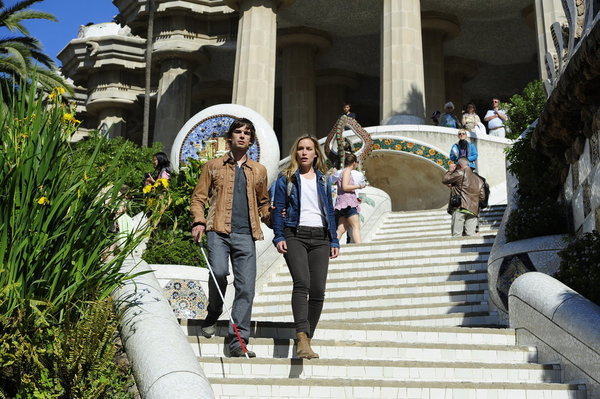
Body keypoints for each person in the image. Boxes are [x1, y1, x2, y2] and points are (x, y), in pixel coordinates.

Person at [190, 117, 271, 358]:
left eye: (247, 133)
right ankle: (214, 311)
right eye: (238, 132)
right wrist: (198, 221)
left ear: (251, 140)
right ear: (230, 138)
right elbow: (198, 198)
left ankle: (238, 339)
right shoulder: (213, 166)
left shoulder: (259, 171)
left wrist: (272, 215)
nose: (243, 136)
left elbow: (263, 202)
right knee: (218, 273)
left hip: (246, 234)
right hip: (217, 230)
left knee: (246, 288)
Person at [272, 135, 340, 359]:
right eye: (300, 148)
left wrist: (334, 239)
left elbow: (329, 209)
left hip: (320, 237)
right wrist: (279, 235)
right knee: (302, 283)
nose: (304, 152)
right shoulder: (287, 179)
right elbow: (278, 208)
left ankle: (307, 339)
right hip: (295, 234)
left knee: (318, 290)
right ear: (296, 153)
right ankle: (302, 335)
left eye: (308, 149)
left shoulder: (323, 180)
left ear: (315, 153)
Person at [442, 157, 485, 237]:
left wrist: (450, 171)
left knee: (457, 235)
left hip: (460, 208)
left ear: (460, 166)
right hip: (473, 210)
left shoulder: (459, 173)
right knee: (471, 235)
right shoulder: (479, 180)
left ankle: (456, 249)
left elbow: (445, 180)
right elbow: (482, 197)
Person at [335, 153, 366, 244]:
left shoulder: (342, 172)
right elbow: (345, 187)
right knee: (356, 226)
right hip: (348, 203)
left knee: (341, 228)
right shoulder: (347, 172)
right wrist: (359, 186)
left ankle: (331, 246)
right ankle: (360, 247)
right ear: (353, 163)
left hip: (342, 203)